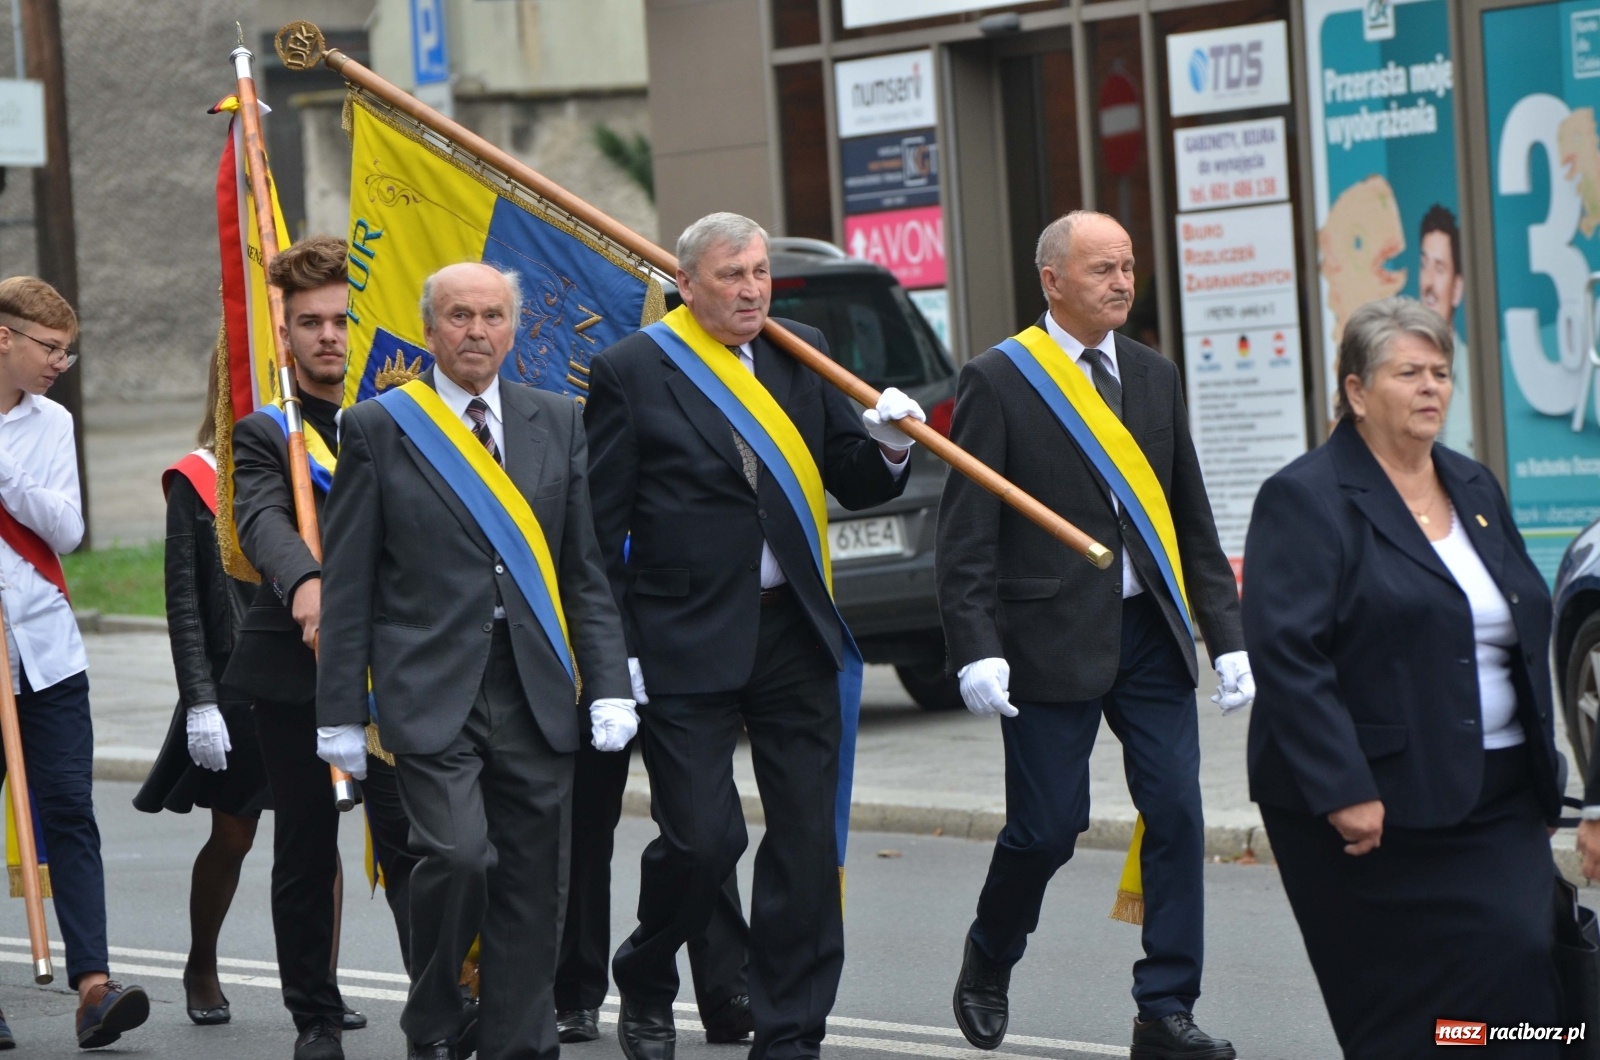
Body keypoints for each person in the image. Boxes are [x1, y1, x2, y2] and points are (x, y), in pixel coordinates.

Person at [586, 211, 922, 1060]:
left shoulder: (796, 348)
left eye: (761, 272)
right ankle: (649, 966)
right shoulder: (633, 370)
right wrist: (616, 656)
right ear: (685, 284)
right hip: (680, 639)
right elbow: (599, 529)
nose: (751, 290)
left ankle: (790, 1031)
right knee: (703, 841)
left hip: (791, 637)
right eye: (732, 275)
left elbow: (847, 472)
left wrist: (884, 446)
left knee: (808, 846)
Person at [937, 211, 1249, 1059]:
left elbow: (1189, 512)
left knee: (1179, 814)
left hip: (1146, 630)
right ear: (1052, 281)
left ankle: (1165, 1009)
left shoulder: (1153, 375)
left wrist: (1227, 636)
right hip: (1045, 638)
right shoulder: (999, 379)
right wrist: (975, 646)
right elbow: (965, 536)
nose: (1122, 281)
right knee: (1047, 828)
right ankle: (989, 955)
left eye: (1128, 266)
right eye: (1103, 268)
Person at [315, 261, 636, 1060]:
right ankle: (434, 1009)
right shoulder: (380, 427)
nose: (476, 332)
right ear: (429, 331)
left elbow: (582, 570)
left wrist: (607, 681)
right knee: (459, 857)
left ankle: (517, 1044)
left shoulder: (557, 418)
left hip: (534, 688)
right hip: (430, 686)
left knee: (534, 882)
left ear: (514, 329)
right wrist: (338, 713)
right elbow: (348, 578)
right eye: (458, 316)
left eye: (492, 317)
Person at [1243, 297, 1565, 1058]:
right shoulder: (1307, 497)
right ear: (1356, 392)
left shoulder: (1474, 486)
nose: (1432, 388)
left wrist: (1559, 777)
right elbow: (1289, 653)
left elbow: (1527, 626)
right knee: (1405, 1008)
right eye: (1409, 372)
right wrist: (1344, 786)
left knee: (1522, 958)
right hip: (1371, 807)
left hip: (1497, 791)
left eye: (1442, 373)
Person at [225, 235, 418, 1060]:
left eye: (342, 320)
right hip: (296, 660)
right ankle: (316, 1018)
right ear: (289, 334)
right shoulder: (266, 431)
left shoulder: (404, 414)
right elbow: (260, 517)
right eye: (311, 323)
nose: (329, 336)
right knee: (305, 846)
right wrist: (307, 583)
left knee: (416, 841)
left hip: (401, 657)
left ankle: (442, 1001)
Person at [0, 276, 150, 1048]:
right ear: (4, 338)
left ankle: (94, 986)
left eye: (68, 350)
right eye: (50, 348)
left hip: (48, 653)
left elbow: (65, 529)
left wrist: (3, 471)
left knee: (69, 811)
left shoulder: (50, 422)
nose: (62, 362)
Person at [133, 356, 267, 1026]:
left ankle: (319, 986)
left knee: (315, 836)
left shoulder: (316, 456)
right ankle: (201, 962)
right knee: (234, 836)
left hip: (307, 674)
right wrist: (202, 700)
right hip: (234, 683)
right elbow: (184, 602)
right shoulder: (199, 476)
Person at [556, 736, 752, 1044]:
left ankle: (726, 993)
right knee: (585, 820)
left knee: (703, 824)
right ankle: (575, 993)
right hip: (595, 692)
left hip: (680, 691)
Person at [1418, 205, 1473, 455]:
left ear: (1457, 289)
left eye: (1439, 269)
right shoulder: (1399, 378)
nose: (1428, 282)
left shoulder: (1476, 376)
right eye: (1424, 265)